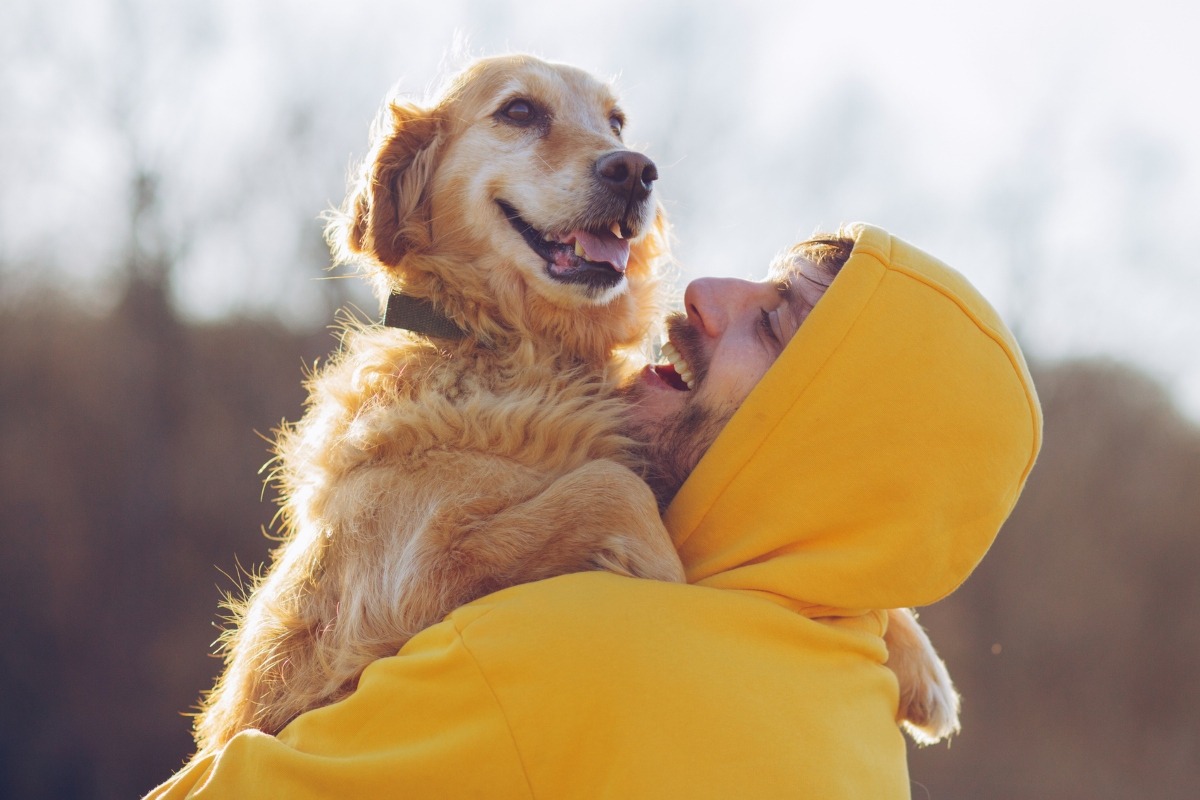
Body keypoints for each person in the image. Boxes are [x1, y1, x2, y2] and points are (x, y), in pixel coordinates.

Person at [146, 222, 1041, 799]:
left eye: (768, 325)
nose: (705, 293)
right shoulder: (862, 723)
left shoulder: (581, 656)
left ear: (814, 439)